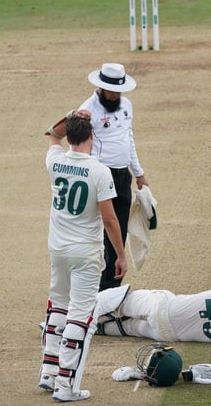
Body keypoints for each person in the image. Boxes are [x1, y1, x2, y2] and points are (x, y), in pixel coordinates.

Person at [40, 109, 128, 402]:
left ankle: (49, 373)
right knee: (80, 317)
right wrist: (120, 255)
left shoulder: (56, 161)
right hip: (87, 255)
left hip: (59, 251)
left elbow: (52, 134)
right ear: (92, 136)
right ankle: (66, 385)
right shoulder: (99, 170)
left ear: (71, 136)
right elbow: (110, 220)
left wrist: (68, 115)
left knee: (58, 308)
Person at [78, 63, 148, 292]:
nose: (116, 95)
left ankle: (110, 288)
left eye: (118, 90)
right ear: (100, 88)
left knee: (120, 229)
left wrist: (138, 173)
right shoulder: (88, 109)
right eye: (111, 91)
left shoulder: (126, 105)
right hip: (100, 175)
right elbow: (75, 141)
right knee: (101, 230)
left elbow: (129, 139)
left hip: (122, 176)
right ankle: (93, 286)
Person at [93, 273, 211, 342]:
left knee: (121, 302)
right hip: (168, 335)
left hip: (163, 307)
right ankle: (95, 329)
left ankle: (75, 315)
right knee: (128, 328)